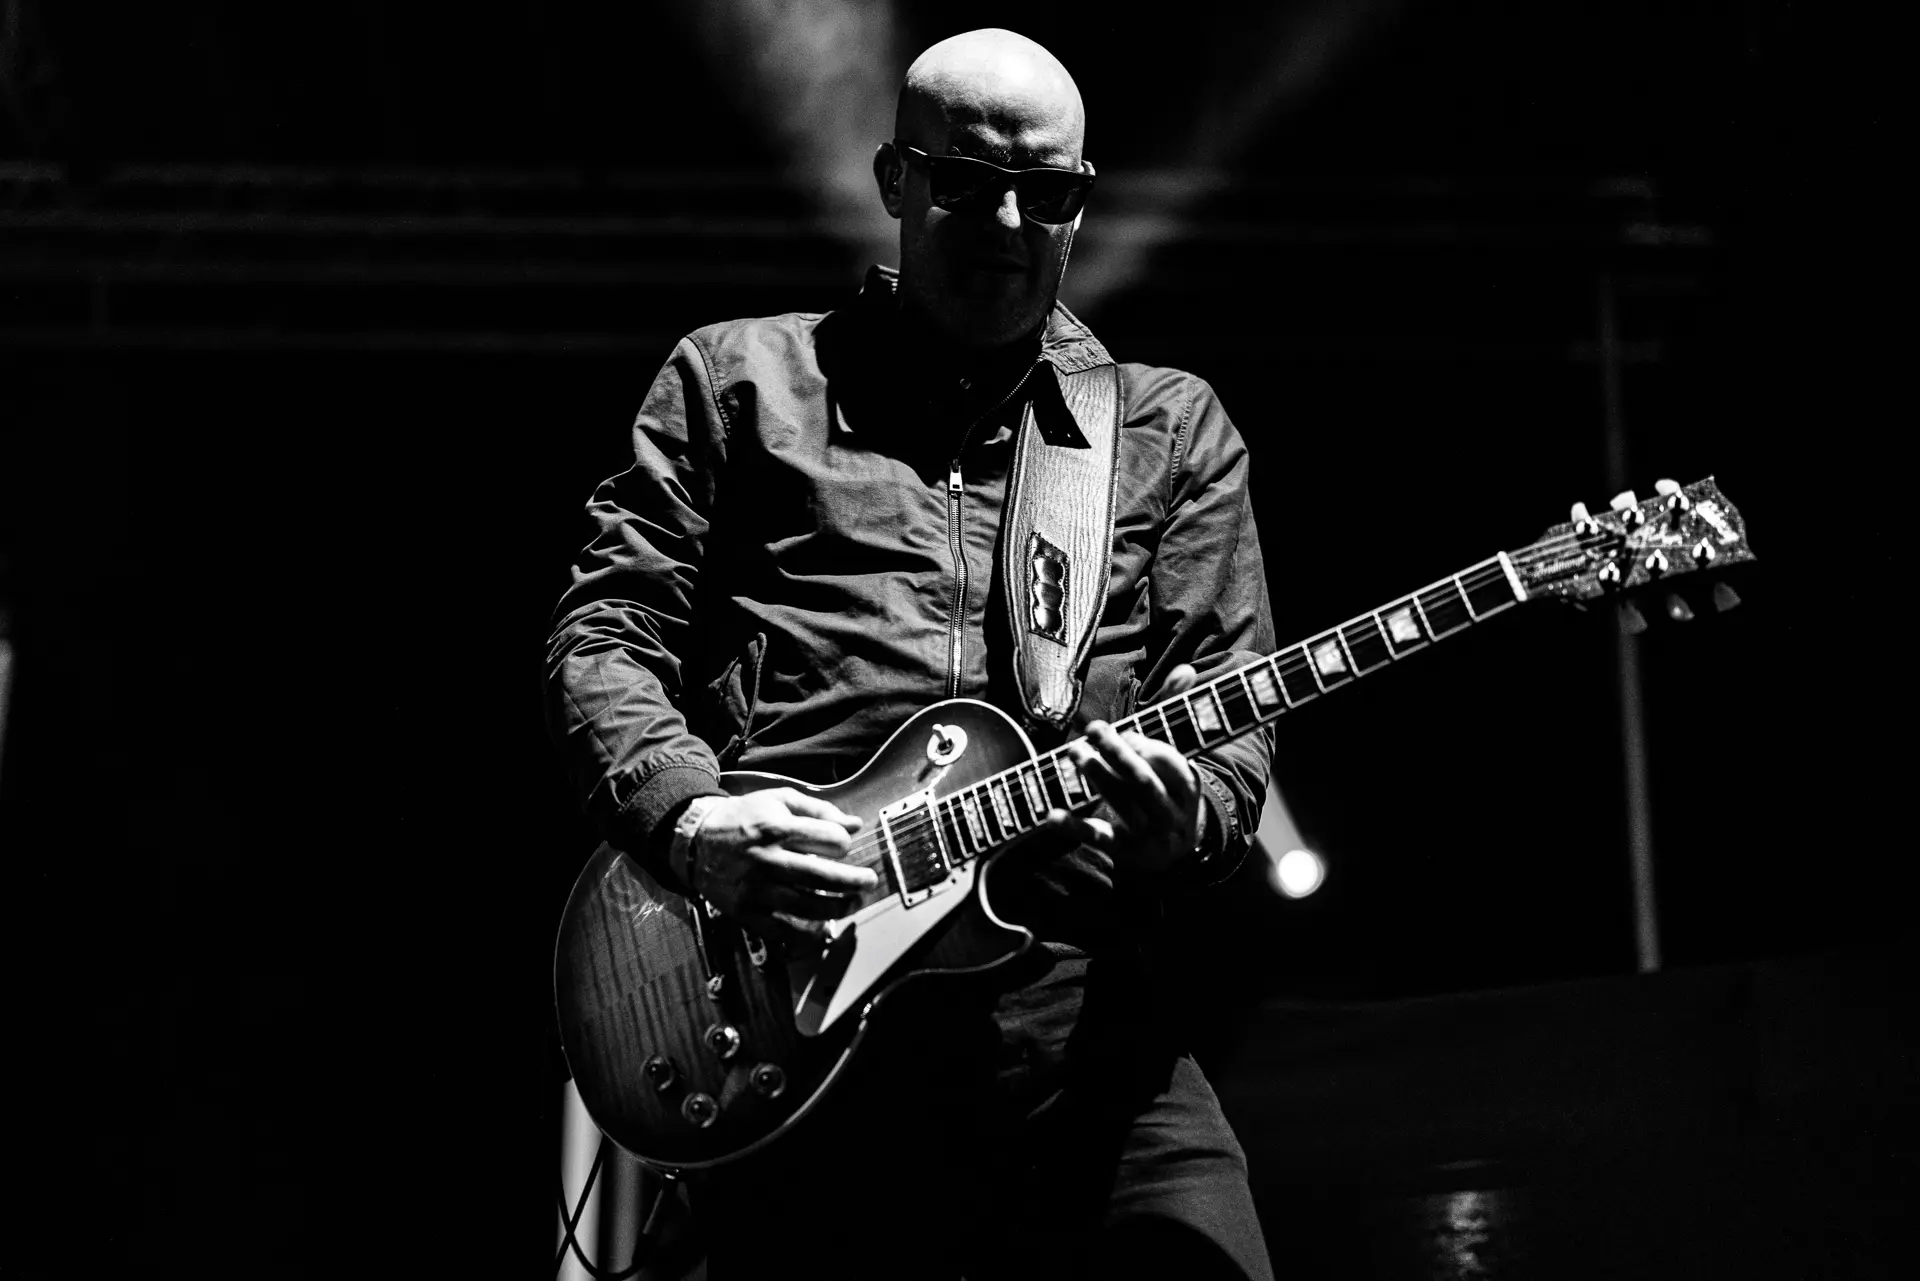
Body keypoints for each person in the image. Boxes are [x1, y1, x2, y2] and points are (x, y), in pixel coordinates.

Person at [545, 28, 1277, 1281]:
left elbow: (1229, 723)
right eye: (968, 184)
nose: (1008, 223)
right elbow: (605, 634)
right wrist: (692, 820)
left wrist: (1189, 821)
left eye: (1045, 194)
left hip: (1076, 1038)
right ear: (895, 179)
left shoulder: (1166, 428)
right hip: (786, 1008)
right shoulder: (739, 382)